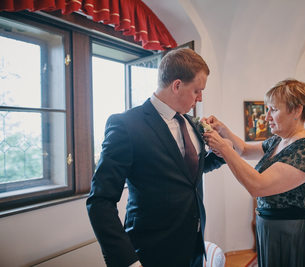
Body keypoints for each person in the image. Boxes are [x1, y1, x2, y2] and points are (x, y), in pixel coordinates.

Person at [86, 48, 225, 267]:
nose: (200, 98)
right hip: (151, 251)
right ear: (177, 85)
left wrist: (221, 153)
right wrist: (127, 260)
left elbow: (187, 173)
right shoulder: (126, 125)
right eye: (197, 90)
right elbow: (100, 201)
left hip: (194, 247)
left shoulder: (191, 123)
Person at [203, 79, 305, 267]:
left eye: (273, 110)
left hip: (298, 235)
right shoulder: (278, 141)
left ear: (296, 110)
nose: (266, 117)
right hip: (273, 232)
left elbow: (258, 186)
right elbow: (243, 149)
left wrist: (224, 149)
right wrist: (223, 129)